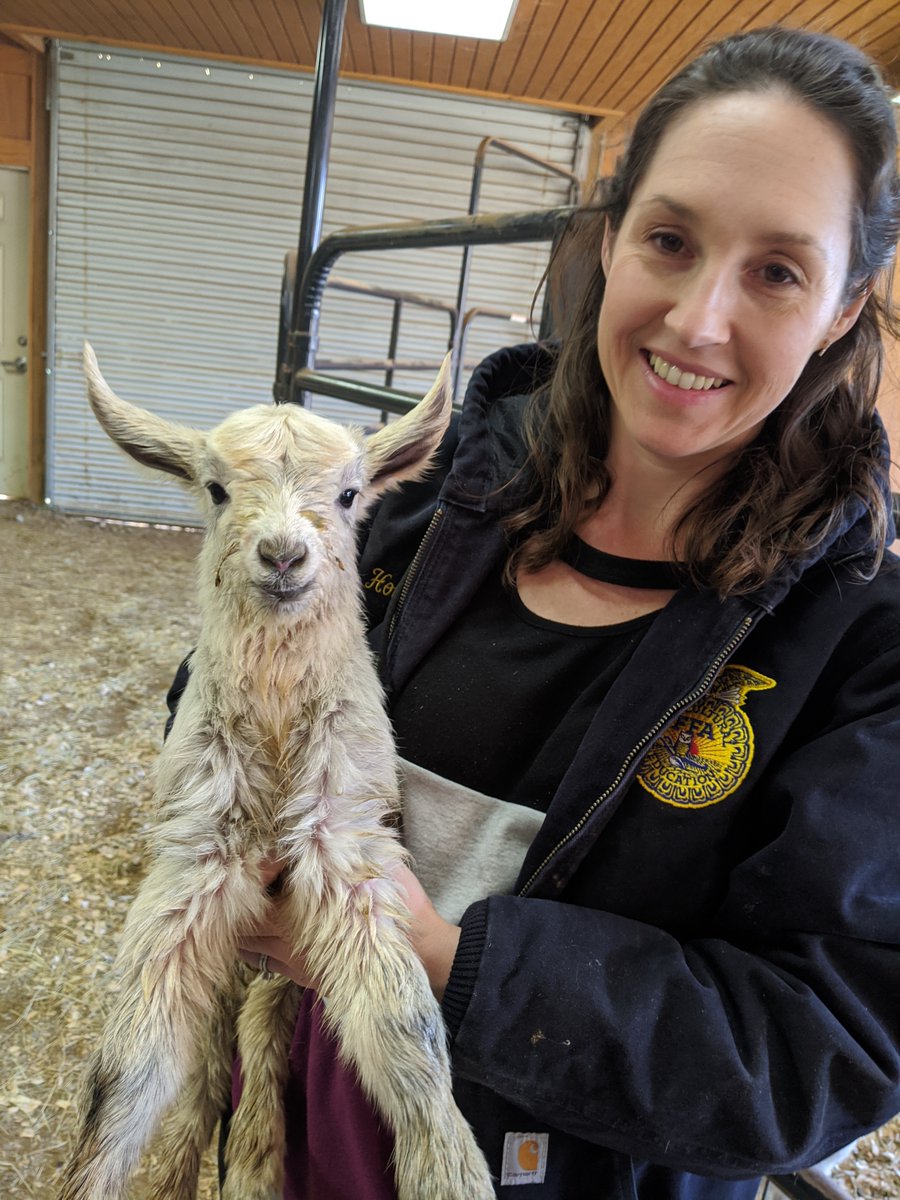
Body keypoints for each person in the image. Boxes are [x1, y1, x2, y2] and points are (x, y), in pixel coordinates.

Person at [169, 23, 900, 1200]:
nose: (698, 319)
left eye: (777, 271)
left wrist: (445, 962)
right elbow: (222, 672)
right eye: (670, 240)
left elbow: (825, 1045)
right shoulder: (424, 497)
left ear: (845, 305)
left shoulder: (863, 643)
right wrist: (239, 820)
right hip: (314, 1104)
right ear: (610, 243)